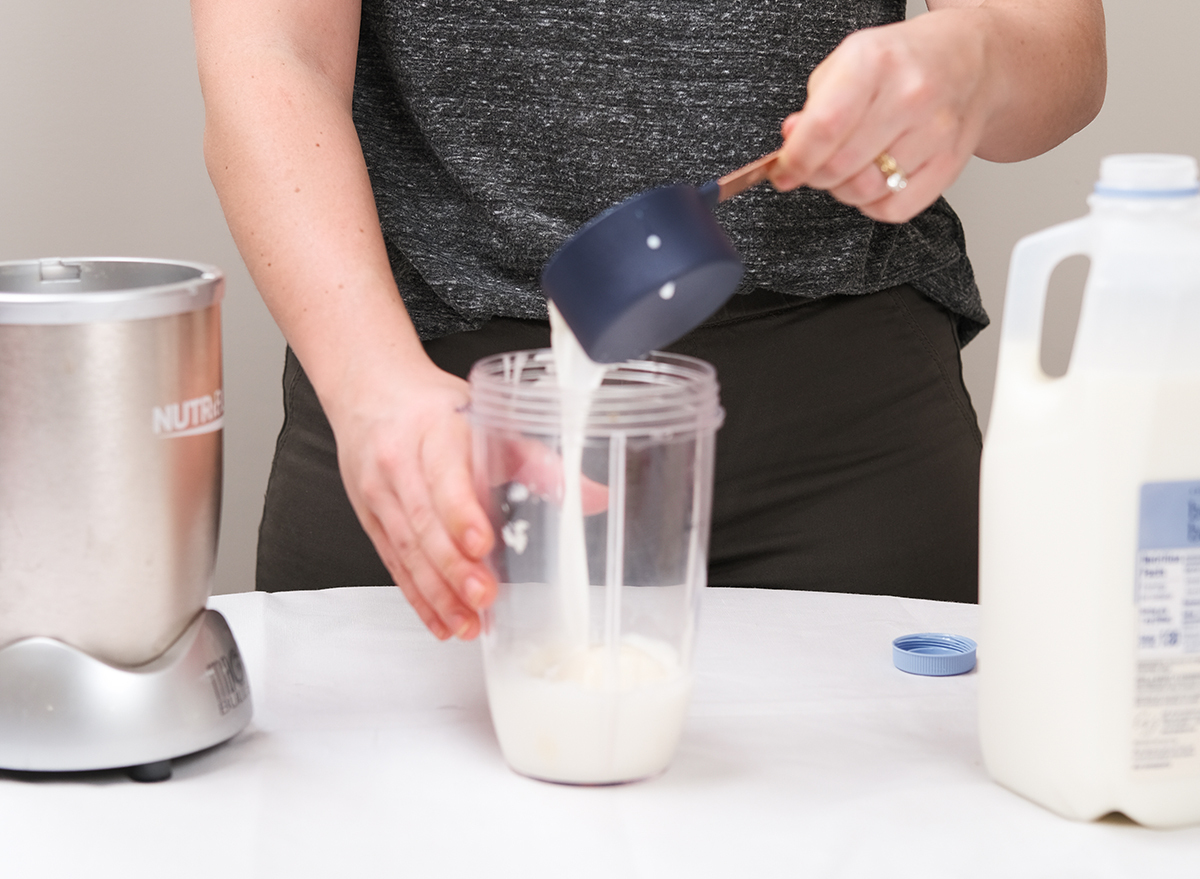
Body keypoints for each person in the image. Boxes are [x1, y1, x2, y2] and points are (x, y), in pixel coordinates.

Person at [191, 0, 1106, 640]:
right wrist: (372, 390)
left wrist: (973, 57)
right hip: (431, 427)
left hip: (844, 443)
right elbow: (271, 52)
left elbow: (1055, 45)